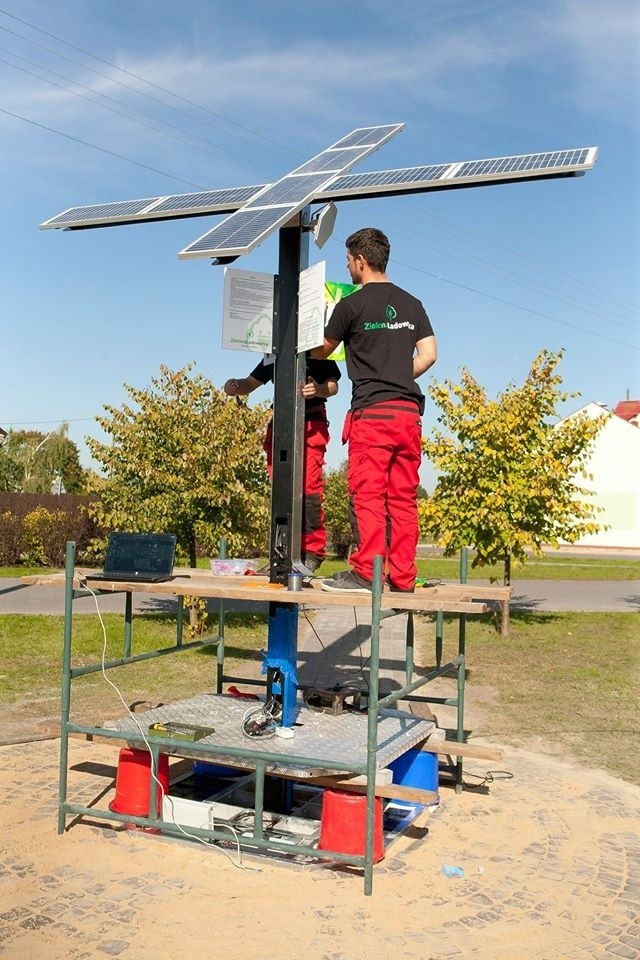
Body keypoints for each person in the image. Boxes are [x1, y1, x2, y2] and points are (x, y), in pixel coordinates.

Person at [312, 227, 437, 594]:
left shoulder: (350, 305)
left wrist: (301, 336)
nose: (348, 267)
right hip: (409, 415)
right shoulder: (413, 303)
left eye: (349, 261)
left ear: (361, 261)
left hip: (373, 416)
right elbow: (429, 354)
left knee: (368, 495)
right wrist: (396, 371)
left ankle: (367, 574)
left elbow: (322, 349)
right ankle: (402, 577)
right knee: (402, 497)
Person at [224, 355, 341, 572]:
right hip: (281, 424)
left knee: (309, 491)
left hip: (310, 424)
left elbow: (333, 386)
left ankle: (312, 552)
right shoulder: (274, 354)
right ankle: (282, 554)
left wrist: (318, 390)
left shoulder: (317, 347)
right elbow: (250, 383)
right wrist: (235, 386)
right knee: (282, 491)